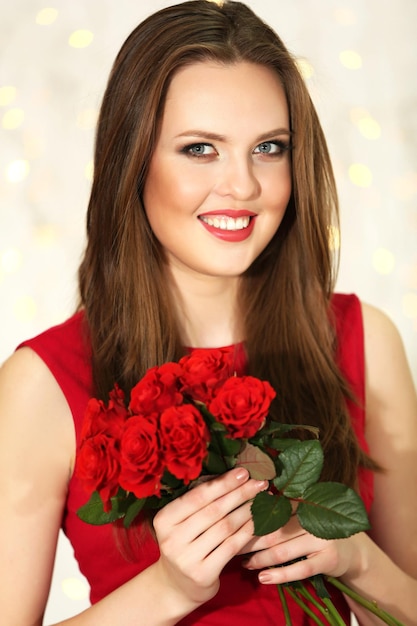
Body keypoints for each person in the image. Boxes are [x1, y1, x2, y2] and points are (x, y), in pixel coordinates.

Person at [1, 1, 416, 624]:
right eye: (200, 149)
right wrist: (166, 590)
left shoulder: (363, 341)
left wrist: (361, 562)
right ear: (133, 161)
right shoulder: (43, 383)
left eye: (269, 148)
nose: (243, 186)